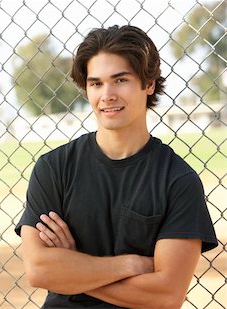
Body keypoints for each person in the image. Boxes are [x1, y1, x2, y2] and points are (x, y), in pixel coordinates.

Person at [15, 25, 218, 308]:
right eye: (96, 83)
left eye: (120, 80)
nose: (106, 95)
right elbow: (39, 270)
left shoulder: (177, 179)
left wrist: (74, 270)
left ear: (148, 84)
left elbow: (166, 295)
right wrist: (130, 264)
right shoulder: (54, 168)